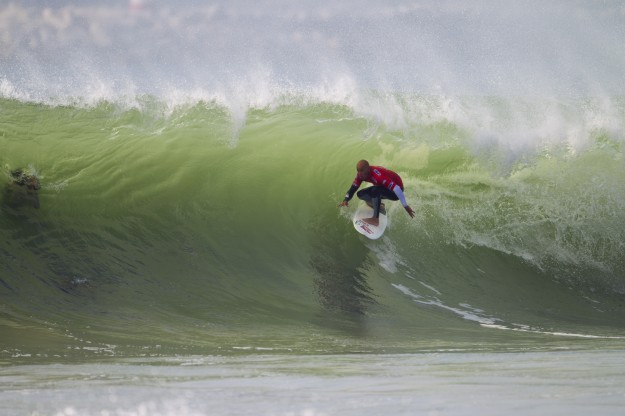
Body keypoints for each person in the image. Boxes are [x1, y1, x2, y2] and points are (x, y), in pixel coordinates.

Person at [338, 160, 415, 226]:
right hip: (383, 187)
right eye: (359, 173)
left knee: (375, 190)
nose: (361, 176)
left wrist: (405, 206)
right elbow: (353, 189)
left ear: (368, 170)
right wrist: (346, 200)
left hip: (396, 191)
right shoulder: (360, 175)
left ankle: (375, 219)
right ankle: (380, 206)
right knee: (360, 194)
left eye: (363, 174)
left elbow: (397, 189)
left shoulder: (378, 176)